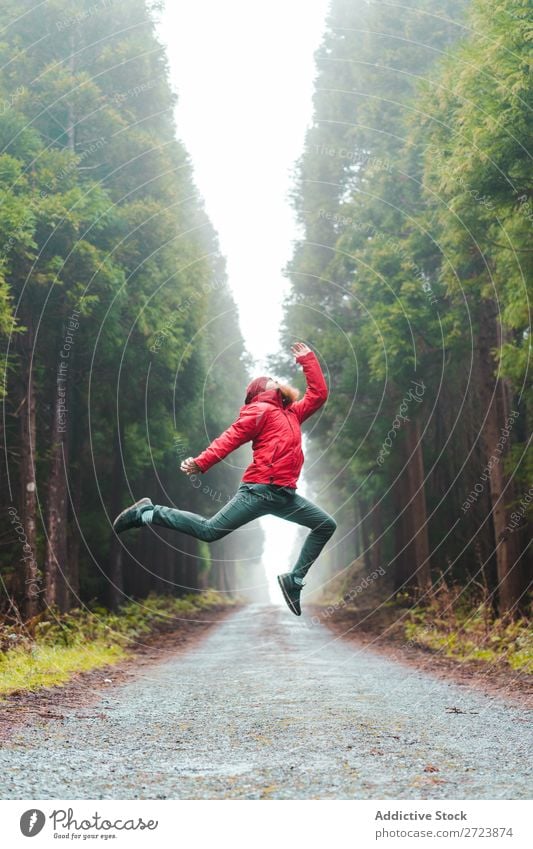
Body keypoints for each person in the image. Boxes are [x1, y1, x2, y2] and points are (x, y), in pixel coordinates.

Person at [112, 342, 337, 616]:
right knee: (209, 531)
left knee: (325, 525)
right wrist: (202, 462)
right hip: (259, 491)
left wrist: (307, 360)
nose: (277, 381)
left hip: (285, 495)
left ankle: (294, 580)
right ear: (262, 391)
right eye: (271, 381)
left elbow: (319, 394)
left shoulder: (292, 413)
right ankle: (148, 512)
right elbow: (231, 437)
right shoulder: (259, 411)